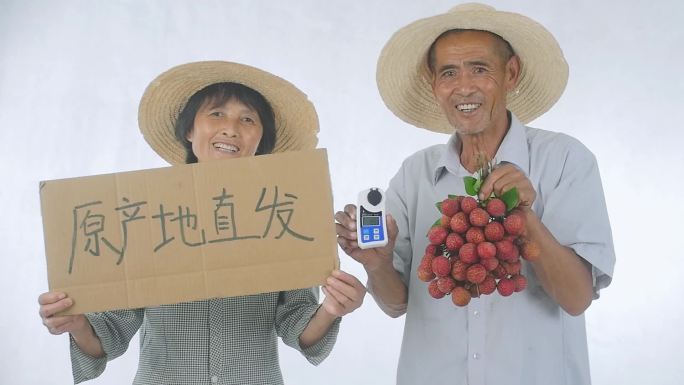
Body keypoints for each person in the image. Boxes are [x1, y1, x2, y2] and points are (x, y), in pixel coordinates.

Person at [335, 4, 615, 385]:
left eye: (480, 69)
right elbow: (396, 303)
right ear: (434, 84)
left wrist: (525, 217)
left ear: (510, 74)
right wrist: (377, 263)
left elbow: (577, 298)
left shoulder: (565, 160)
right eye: (449, 73)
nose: (464, 87)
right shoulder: (415, 174)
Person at [38, 60, 366, 385]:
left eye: (248, 119)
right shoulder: (145, 213)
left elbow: (297, 320)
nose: (231, 128)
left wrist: (332, 308)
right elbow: (115, 325)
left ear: (260, 140)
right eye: (217, 113)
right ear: (190, 130)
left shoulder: (281, 214)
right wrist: (77, 322)